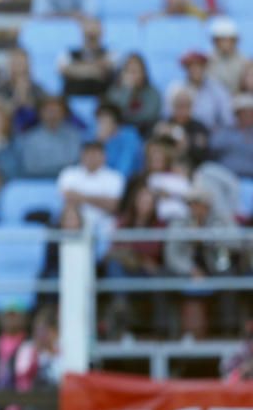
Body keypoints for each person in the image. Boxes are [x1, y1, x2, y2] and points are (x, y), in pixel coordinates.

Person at [165, 187, 240, 338]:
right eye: (191, 204)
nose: (195, 208)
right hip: (188, 271)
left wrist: (210, 237)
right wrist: (190, 269)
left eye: (199, 203)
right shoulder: (180, 222)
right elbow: (171, 255)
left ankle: (228, 329)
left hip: (216, 268)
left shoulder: (221, 219)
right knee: (164, 279)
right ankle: (167, 332)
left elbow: (237, 243)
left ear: (207, 205)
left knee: (230, 279)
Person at [102, 185, 167, 338]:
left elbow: (155, 249)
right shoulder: (124, 223)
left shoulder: (160, 225)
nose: (145, 204)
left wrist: (131, 252)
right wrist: (139, 257)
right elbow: (113, 250)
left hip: (150, 274)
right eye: (142, 200)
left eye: (148, 200)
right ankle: (120, 304)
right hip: (128, 271)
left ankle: (121, 307)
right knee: (114, 265)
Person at [0, 96, 82, 180]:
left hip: (68, 183)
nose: (52, 115)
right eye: (49, 111)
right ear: (41, 113)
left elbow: (75, 164)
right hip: (37, 183)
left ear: (64, 113)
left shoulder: (74, 136)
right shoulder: (30, 138)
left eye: (56, 110)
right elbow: (31, 167)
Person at [57, 141, 125, 240]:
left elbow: (114, 206)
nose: (92, 157)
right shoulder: (69, 174)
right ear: (82, 155)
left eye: (95, 154)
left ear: (104, 156)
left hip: (104, 224)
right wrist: (101, 201)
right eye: (88, 153)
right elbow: (67, 198)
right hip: (76, 224)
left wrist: (80, 197)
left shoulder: (115, 177)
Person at [164, 51, 233, 130]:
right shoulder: (175, 88)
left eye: (199, 66)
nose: (195, 70)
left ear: (205, 67)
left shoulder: (217, 89)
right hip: (182, 132)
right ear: (186, 68)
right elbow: (167, 114)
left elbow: (227, 118)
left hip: (211, 135)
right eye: (191, 66)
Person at [0, 48, 46, 132]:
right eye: (16, 63)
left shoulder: (37, 89)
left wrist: (27, 100)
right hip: (4, 135)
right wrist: (18, 97)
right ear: (9, 65)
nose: (19, 68)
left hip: (33, 134)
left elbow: (43, 116)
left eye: (22, 63)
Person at [105, 53, 163, 136]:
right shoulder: (114, 91)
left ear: (144, 73)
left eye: (135, 71)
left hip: (145, 133)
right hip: (117, 134)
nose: (132, 76)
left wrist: (126, 118)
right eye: (129, 71)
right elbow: (114, 114)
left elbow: (149, 116)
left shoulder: (153, 93)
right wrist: (127, 91)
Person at [156, 85, 211, 167]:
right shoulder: (164, 125)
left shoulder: (199, 128)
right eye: (179, 105)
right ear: (172, 106)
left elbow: (203, 156)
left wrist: (187, 145)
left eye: (186, 105)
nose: (182, 110)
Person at [58, 18, 116, 96]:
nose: (91, 33)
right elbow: (64, 70)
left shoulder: (111, 52)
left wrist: (75, 69)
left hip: (102, 99)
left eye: (94, 30)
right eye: (88, 32)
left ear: (102, 32)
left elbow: (106, 70)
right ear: (82, 32)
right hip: (71, 96)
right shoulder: (67, 53)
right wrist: (95, 70)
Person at [207, 92, 253, 180]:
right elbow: (213, 146)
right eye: (245, 113)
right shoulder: (225, 131)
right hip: (226, 178)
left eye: (251, 113)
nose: (249, 116)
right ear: (237, 114)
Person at [94, 102, 143, 179]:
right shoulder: (99, 139)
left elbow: (124, 169)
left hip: (129, 180)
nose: (101, 125)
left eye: (105, 120)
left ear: (115, 121)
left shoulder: (129, 136)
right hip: (106, 180)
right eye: (99, 121)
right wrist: (99, 144)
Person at [208, 17, 246, 94]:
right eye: (222, 39)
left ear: (235, 41)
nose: (225, 43)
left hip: (238, 99)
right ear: (215, 41)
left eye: (228, 39)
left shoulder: (244, 61)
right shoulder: (207, 60)